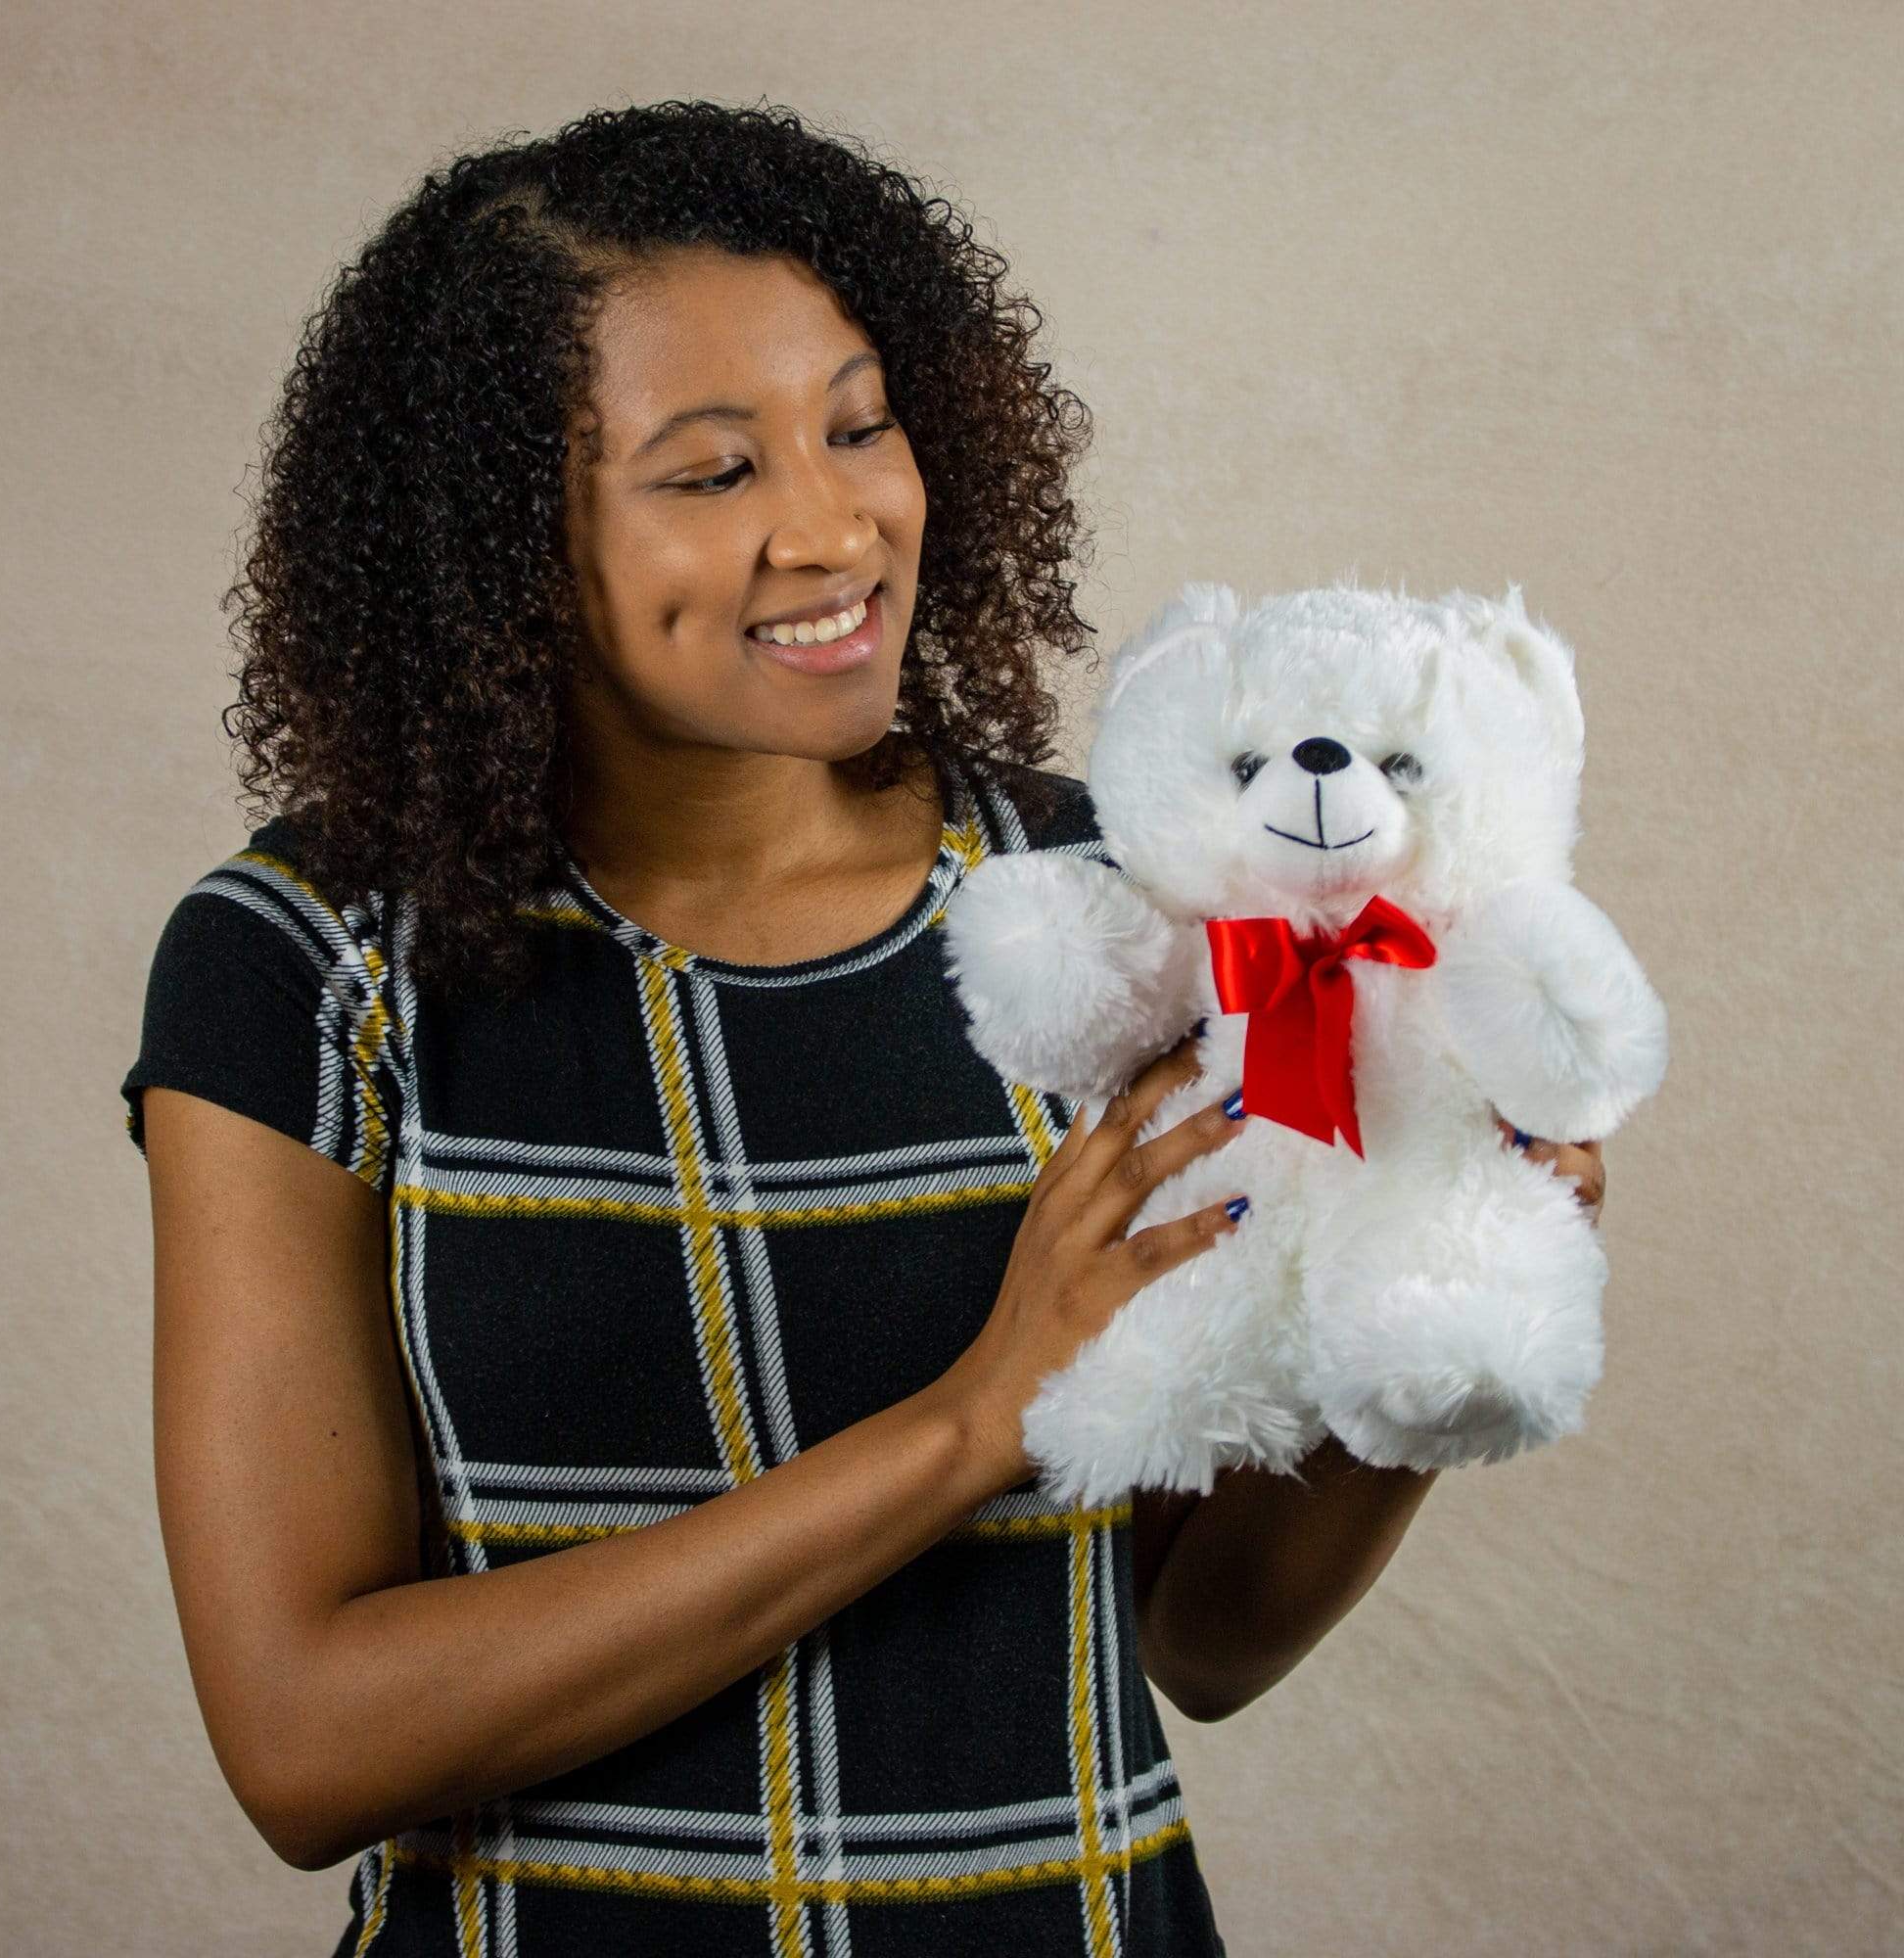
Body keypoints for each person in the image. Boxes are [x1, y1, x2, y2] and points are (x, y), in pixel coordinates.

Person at [120, 99, 1604, 1957]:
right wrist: (968, 1423)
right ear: (508, 541)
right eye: (711, 470)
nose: (831, 528)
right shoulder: (309, 965)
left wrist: (1446, 1294)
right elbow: (304, 1740)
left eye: (856, 424)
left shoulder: (1109, 901)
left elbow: (1197, 1640)